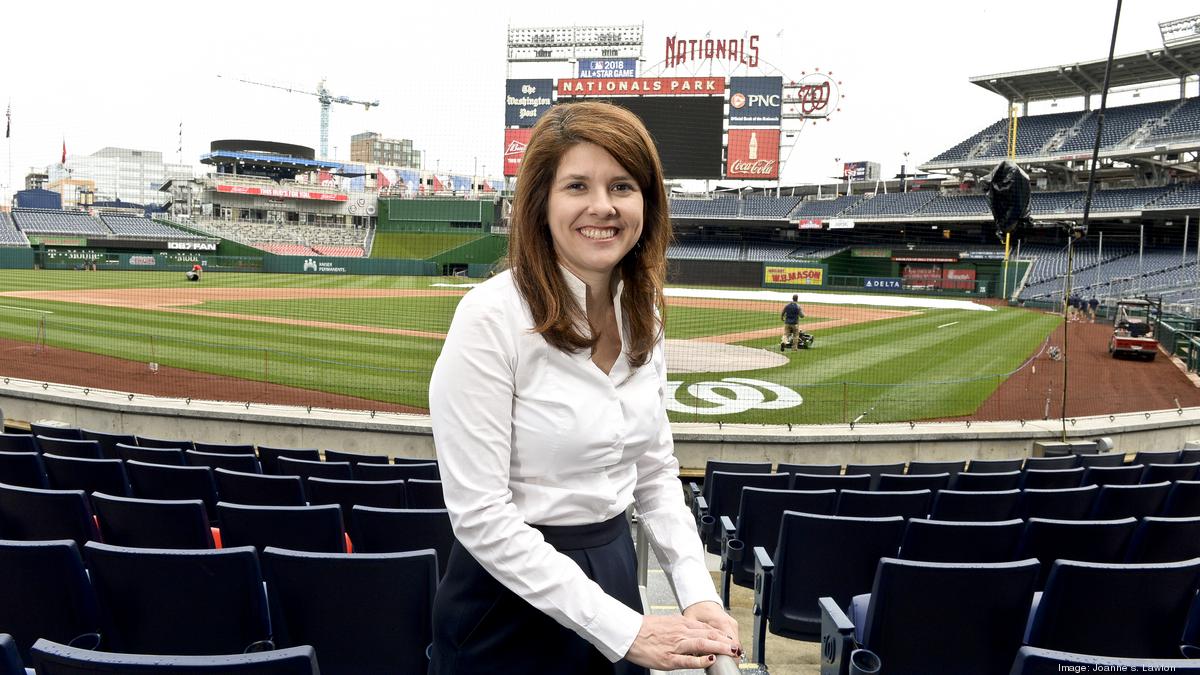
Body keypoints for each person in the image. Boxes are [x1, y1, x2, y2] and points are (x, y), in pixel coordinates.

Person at [428, 101, 739, 674]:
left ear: (646, 201)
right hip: (508, 600)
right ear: (541, 203)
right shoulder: (489, 317)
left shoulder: (643, 313)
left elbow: (654, 472)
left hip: (615, 569)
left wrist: (698, 594)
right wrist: (623, 629)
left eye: (622, 185)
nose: (603, 206)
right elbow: (480, 517)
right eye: (577, 185)